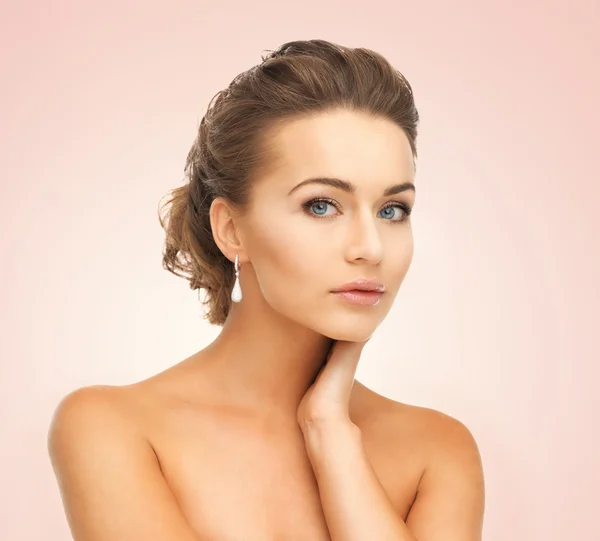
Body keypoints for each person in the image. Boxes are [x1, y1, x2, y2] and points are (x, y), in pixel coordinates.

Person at [47, 39, 485, 541]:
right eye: (322, 205)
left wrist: (332, 439)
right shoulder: (114, 428)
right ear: (232, 229)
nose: (371, 248)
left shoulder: (439, 450)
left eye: (392, 210)